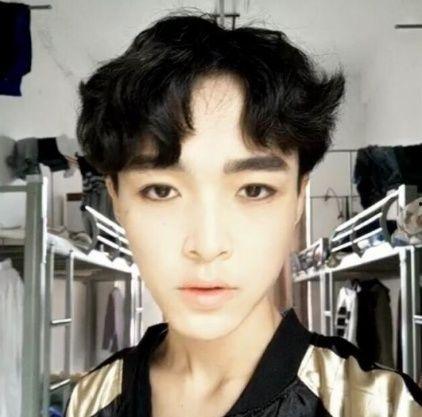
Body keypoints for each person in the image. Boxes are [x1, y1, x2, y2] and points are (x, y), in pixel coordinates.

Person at [65, 11, 422, 417]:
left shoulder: (381, 406)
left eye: (254, 190)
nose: (208, 246)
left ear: (299, 198)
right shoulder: (91, 400)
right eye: (161, 191)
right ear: (116, 197)